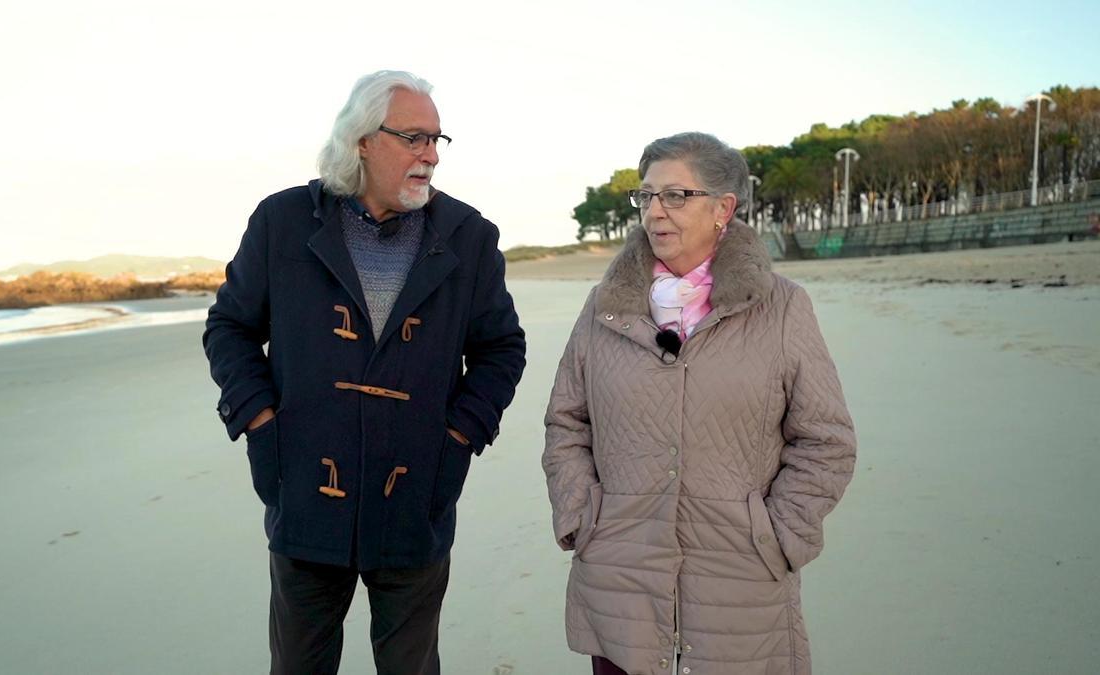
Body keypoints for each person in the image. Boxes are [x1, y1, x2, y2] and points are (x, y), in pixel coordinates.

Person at [203, 70, 526, 675]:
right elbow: (230, 328)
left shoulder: (469, 236)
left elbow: (502, 348)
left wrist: (460, 436)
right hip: (305, 492)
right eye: (413, 138)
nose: (430, 155)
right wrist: (259, 420)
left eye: (437, 140)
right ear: (361, 141)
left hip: (415, 497)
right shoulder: (283, 221)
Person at [542, 132, 855, 675]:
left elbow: (826, 441)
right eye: (646, 197)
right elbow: (567, 421)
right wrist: (581, 516)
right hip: (620, 580)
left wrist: (777, 534)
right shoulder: (605, 307)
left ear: (723, 209)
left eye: (676, 196)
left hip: (740, 587)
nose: (655, 212)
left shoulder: (782, 308)